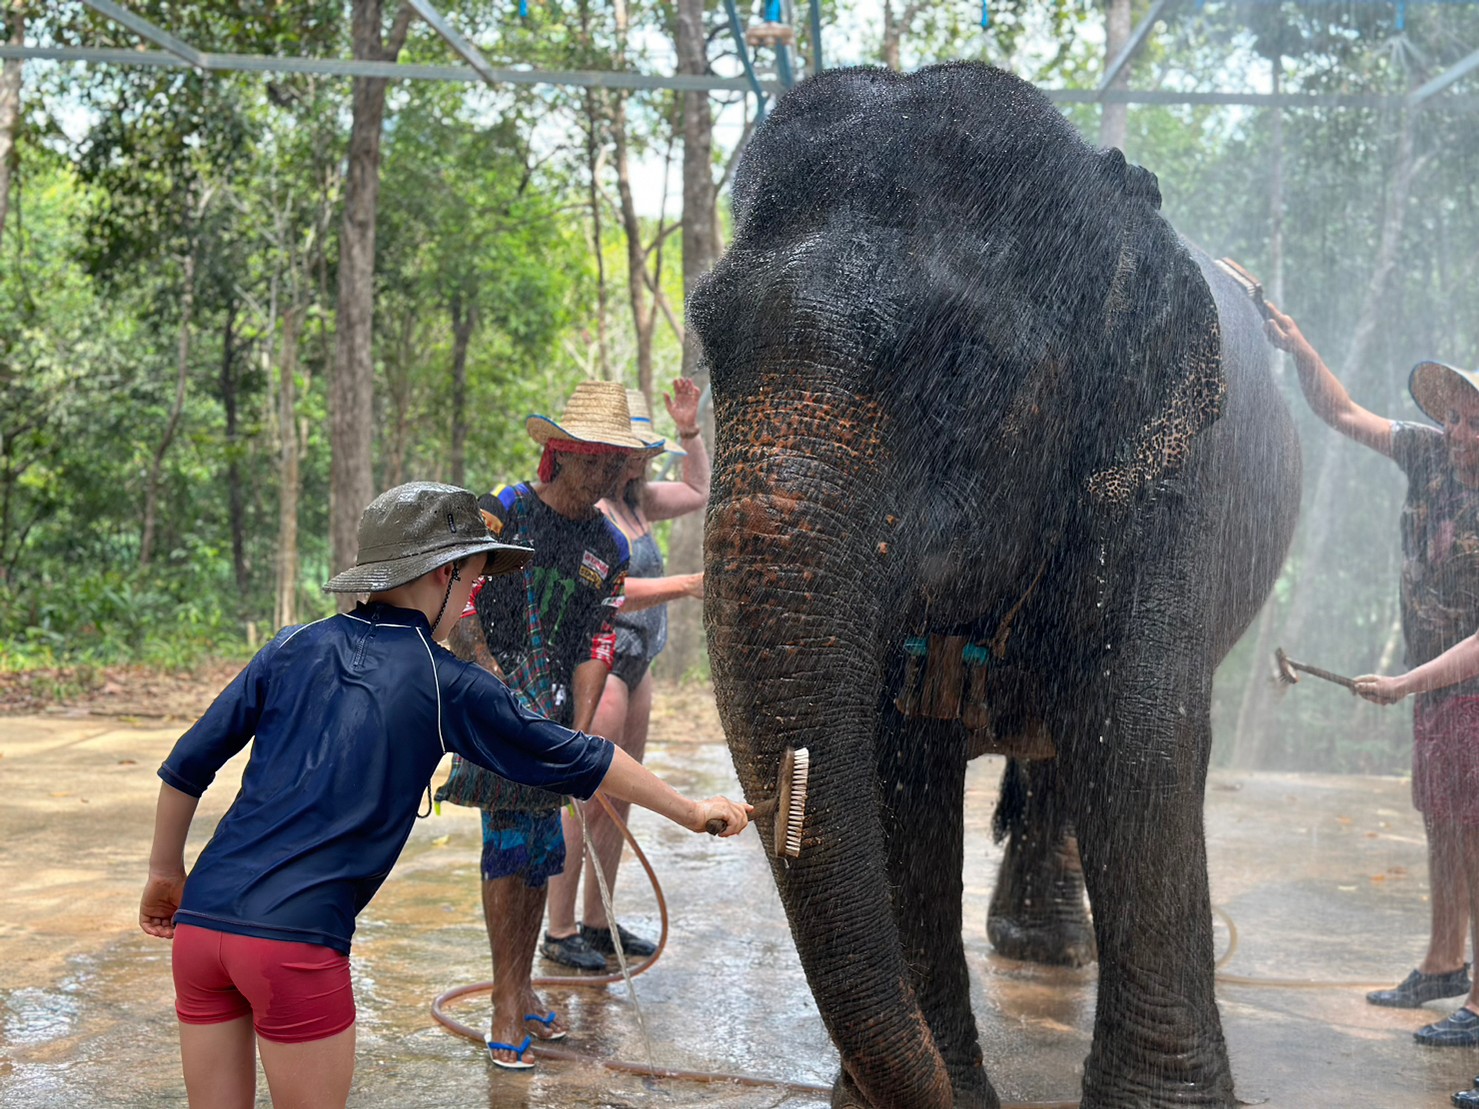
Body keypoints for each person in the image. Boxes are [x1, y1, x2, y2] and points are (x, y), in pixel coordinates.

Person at [139, 481, 749, 1107]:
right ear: (446, 574)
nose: (471, 603)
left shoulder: (290, 645)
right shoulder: (447, 681)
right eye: (474, 582)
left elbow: (186, 764)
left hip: (201, 927)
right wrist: (692, 809)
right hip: (294, 943)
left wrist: (165, 871)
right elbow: (584, 756)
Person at [1267, 306, 1479, 1049]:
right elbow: (1344, 411)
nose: (1457, 434)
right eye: (1453, 419)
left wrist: (1402, 682)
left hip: (1468, 686)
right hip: (1437, 689)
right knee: (1443, 826)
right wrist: (1300, 350)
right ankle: (1443, 961)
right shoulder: (1424, 455)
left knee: (1477, 835)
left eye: (1472, 424)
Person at [445, 380, 651, 1066]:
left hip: (555, 715)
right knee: (508, 843)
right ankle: (507, 1002)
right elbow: (460, 594)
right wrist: (489, 684)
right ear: (557, 454)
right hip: (491, 703)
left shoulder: (607, 547)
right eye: (595, 459)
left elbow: (598, 637)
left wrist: (581, 729)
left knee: (540, 851)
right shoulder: (506, 512)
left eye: (615, 463)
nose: (607, 475)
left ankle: (522, 983)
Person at [542, 381, 709, 969]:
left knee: (619, 799)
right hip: (601, 663)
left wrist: (689, 430)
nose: (637, 459)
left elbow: (699, 489)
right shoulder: (587, 509)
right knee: (585, 796)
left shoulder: (638, 503)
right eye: (629, 451)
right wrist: (686, 585)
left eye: (643, 451)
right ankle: (558, 930)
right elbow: (609, 594)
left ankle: (597, 922)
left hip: (642, 662)